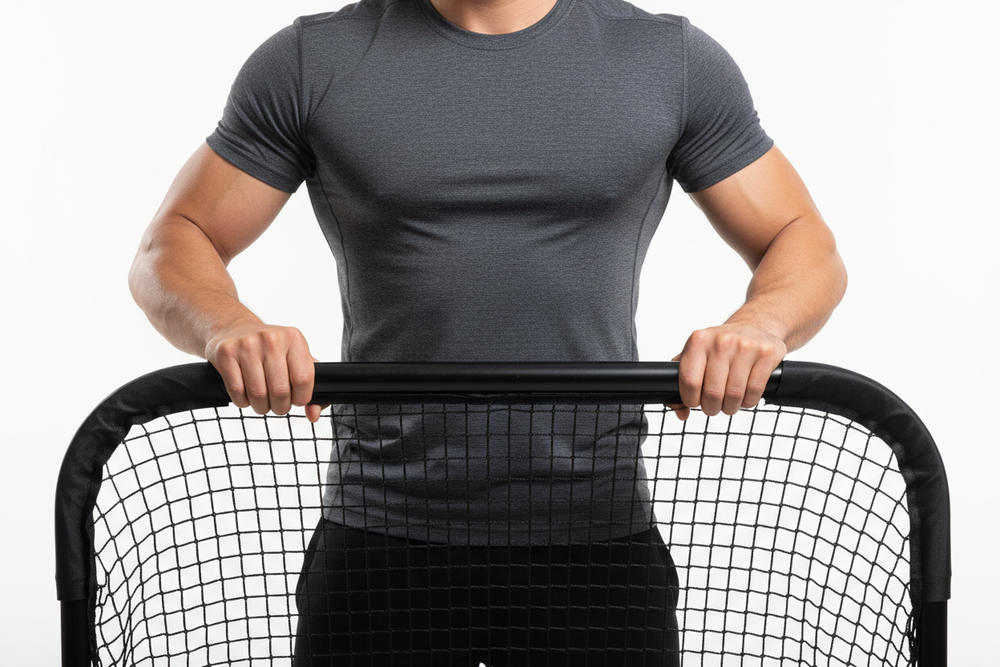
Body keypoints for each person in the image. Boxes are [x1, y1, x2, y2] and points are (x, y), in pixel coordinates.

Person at [129, 0, 847, 663]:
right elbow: (173, 244)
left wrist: (761, 323)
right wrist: (228, 325)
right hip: (381, 548)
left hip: (595, 543)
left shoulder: (667, 59)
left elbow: (801, 239)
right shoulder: (314, 59)